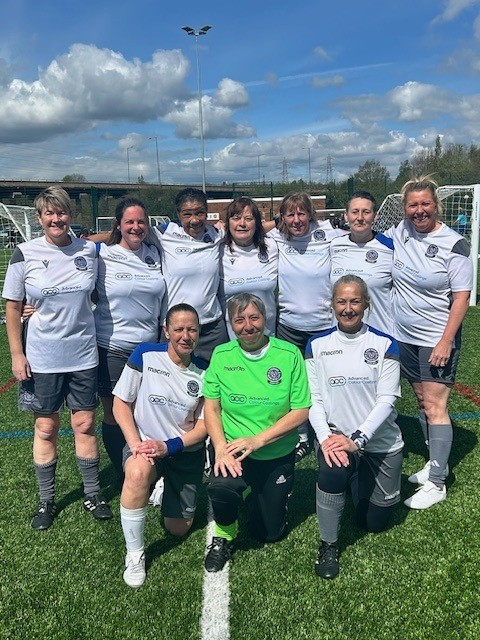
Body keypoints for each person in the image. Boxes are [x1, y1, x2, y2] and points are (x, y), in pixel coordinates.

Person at [2, 185, 112, 530]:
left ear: (70, 215)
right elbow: (13, 307)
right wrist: (17, 354)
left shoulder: (89, 251)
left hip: (83, 354)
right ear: (39, 218)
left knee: (85, 424)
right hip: (42, 357)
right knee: (46, 427)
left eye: (61, 212)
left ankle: (92, 493)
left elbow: (115, 240)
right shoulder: (24, 253)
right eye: (49, 213)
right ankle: (46, 499)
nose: (56, 219)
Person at [203, 292, 311, 572]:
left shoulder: (289, 355)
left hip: (275, 452)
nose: (248, 326)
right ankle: (223, 536)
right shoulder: (221, 355)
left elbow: (301, 410)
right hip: (233, 450)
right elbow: (211, 408)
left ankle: (260, 493)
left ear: (265, 318)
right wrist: (220, 448)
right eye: (239, 320)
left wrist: (258, 440)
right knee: (222, 489)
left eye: (254, 317)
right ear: (230, 324)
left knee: (269, 533)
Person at [305, 275, 403, 579]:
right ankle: (328, 544)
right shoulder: (316, 345)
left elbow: (387, 400)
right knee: (333, 470)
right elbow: (313, 400)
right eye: (342, 301)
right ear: (332, 305)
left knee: (373, 523)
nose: (348, 308)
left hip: (379, 443)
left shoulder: (385, 344)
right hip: (337, 440)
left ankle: (359, 476)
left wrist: (357, 440)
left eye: (355, 301)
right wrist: (325, 439)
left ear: (366, 304)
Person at [388, 176, 473, 509]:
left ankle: (437, 483)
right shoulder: (400, 232)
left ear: (436, 205)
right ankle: (436, 463)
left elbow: (462, 297)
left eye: (425, 203)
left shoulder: (454, 244)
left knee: (436, 407)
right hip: (405, 337)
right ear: (405, 208)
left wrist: (445, 341)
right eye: (413, 205)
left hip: (436, 339)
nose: (419, 210)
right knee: (423, 402)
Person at [112, 303, 207, 587]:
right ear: (166, 331)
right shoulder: (145, 355)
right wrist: (135, 444)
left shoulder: (205, 371)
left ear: (199, 332)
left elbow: (204, 427)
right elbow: (121, 403)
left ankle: (164, 486)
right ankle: (135, 554)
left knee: (178, 529)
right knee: (137, 471)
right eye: (178, 329)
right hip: (145, 447)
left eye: (192, 330)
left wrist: (170, 446)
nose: (185, 336)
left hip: (183, 451)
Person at [268, 191, 345, 462]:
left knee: (326, 382)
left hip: (323, 326)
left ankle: (331, 431)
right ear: (282, 217)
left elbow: (356, 233)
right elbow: (254, 228)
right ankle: (301, 436)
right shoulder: (277, 236)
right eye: (290, 214)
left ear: (311, 214)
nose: (296, 220)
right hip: (289, 325)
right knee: (293, 384)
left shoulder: (328, 233)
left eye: (302, 213)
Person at [94, 198, 166, 483]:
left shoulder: (156, 253)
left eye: (141, 221)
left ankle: (148, 467)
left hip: (149, 350)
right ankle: (124, 471)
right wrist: (34, 305)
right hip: (112, 349)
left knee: (146, 412)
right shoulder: (102, 255)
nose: (136, 227)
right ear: (118, 225)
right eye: (129, 222)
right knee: (115, 414)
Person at [149, 188, 228, 362]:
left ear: (207, 211)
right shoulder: (164, 233)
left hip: (211, 328)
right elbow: (126, 233)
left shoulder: (216, 234)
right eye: (187, 214)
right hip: (176, 329)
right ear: (178, 214)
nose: (194, 220)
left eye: (200, 213)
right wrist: (88, 243)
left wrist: (278, 221)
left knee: (214, 377)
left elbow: (254, 228)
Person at [330, 190, 394, 334]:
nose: (359, 218)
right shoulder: (334, 245)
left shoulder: (390, 248)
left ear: (375, 216)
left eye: (366, 212)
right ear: (346, 216)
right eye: (355, 212)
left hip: (379, 334)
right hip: (340, 336)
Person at [219, 196, 278, 338]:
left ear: (257, 223)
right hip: (233, 339)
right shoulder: (218, 250)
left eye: (249, 218)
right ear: (227, 223)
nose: (242, 223)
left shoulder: (272, 246)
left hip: (268, 336)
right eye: (236, 218)